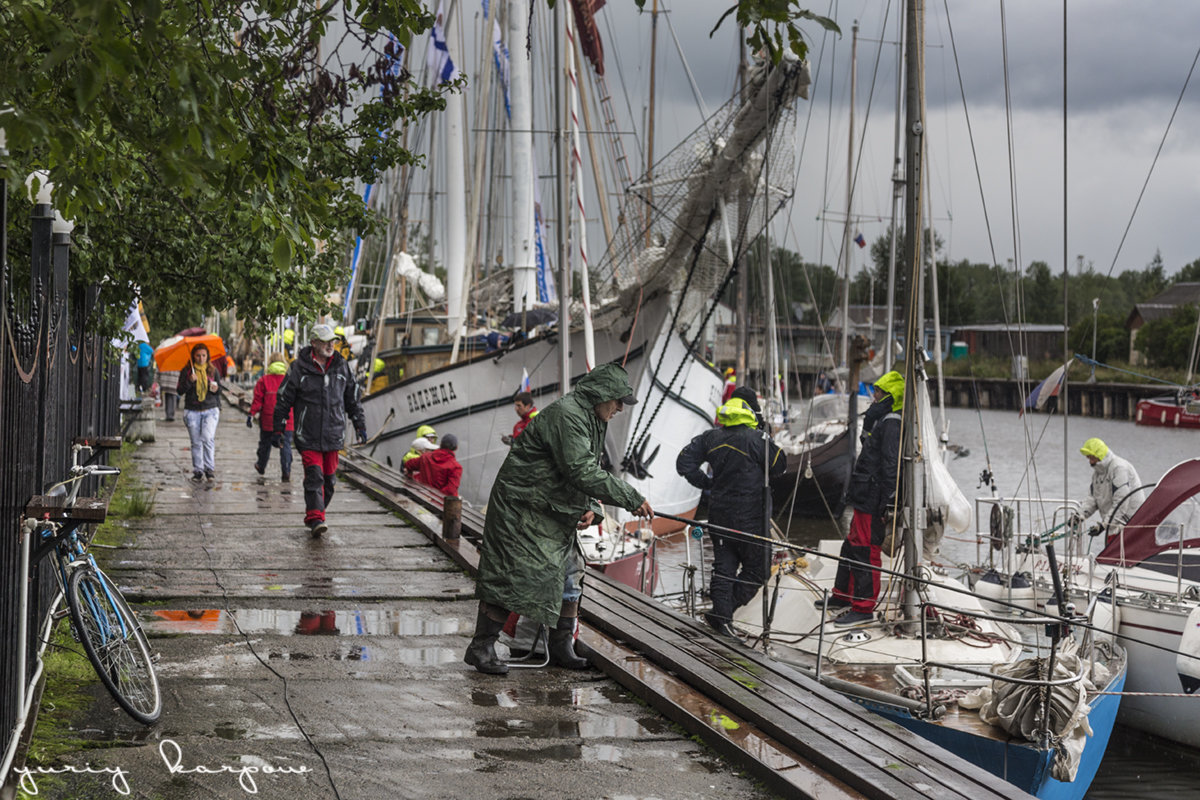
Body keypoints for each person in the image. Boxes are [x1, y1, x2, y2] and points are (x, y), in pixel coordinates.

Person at [465, 363, 654, 675]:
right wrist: (631, 497)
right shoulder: (568, 416)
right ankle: (481, 646)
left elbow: (576, 471)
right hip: (523, 507)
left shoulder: (590, 418)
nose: (621, 407)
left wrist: (591, 505)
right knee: (512, 574)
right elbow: (580, 470)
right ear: (602, 395)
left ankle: (561, 644)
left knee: (570, 572)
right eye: (618, 400)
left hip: (548, 509)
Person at [676, 396, 786, 637]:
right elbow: (780, 465)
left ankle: (721, 616)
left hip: (720, 517)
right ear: (748, 415)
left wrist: (706, 484)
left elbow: (684, 463)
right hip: (751, 520)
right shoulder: (756, 439)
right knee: (759, 571)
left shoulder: (710, 437)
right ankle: (722, 614)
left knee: (724, 568)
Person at [822, 370, 904, 626]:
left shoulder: (892, 423)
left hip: (873, 496)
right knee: (852, 544)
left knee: (866, 550)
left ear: (889, 396)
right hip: (863, 493)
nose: (874, 396)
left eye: (878, 392)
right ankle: (842, 595)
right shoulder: (880, 420)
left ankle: (864, 607)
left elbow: (891, 464)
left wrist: (890, 500)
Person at [272, 324, 367, 537]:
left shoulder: (342, 368)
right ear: (313, 343)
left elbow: (352, 399)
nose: (330, 345)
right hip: (309, 435)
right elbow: (283, 399)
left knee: (329, 482)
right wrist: (278, 428)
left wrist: (360, 425)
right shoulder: (298, 368)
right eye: (325, 342)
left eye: (332, 341)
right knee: (314, 476)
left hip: (334, 434)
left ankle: (317, 511)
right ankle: (315, 518)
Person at [1070, 438, 1146, 543]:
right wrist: (1079, 516)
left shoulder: (1119, 468)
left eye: (1092, 458)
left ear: (1099, 455)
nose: (1090, 462)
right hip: (1114, 527)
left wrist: (1103, 525)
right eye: (1088, 458)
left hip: (1129, 526)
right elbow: (1093, 499)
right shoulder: (1097, 474)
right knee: (1111, 557)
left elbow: (1121, 502)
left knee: (1118, 557)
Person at [177, 343, 223, 482]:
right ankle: (198, 470)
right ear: (193, 356)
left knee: (208, 438)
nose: (201, 358)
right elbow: (179, 391)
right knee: (196, 442)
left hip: (210, 409)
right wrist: (190, 381)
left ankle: (209, 469)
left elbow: (219, 390)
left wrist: (215, 388)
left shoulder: (212, 371)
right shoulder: (187, 371)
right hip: (192, 411)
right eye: (198, 355)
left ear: (207, 356)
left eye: (204, 355)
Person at [249, 353, 294, 482]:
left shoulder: (264, 380)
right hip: (287, 419)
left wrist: (251, 414)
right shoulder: (290, 380)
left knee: (265, 444)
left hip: (268, 419)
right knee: (285, 445)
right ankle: (286, 472)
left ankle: (261, 465)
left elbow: (257, 401)